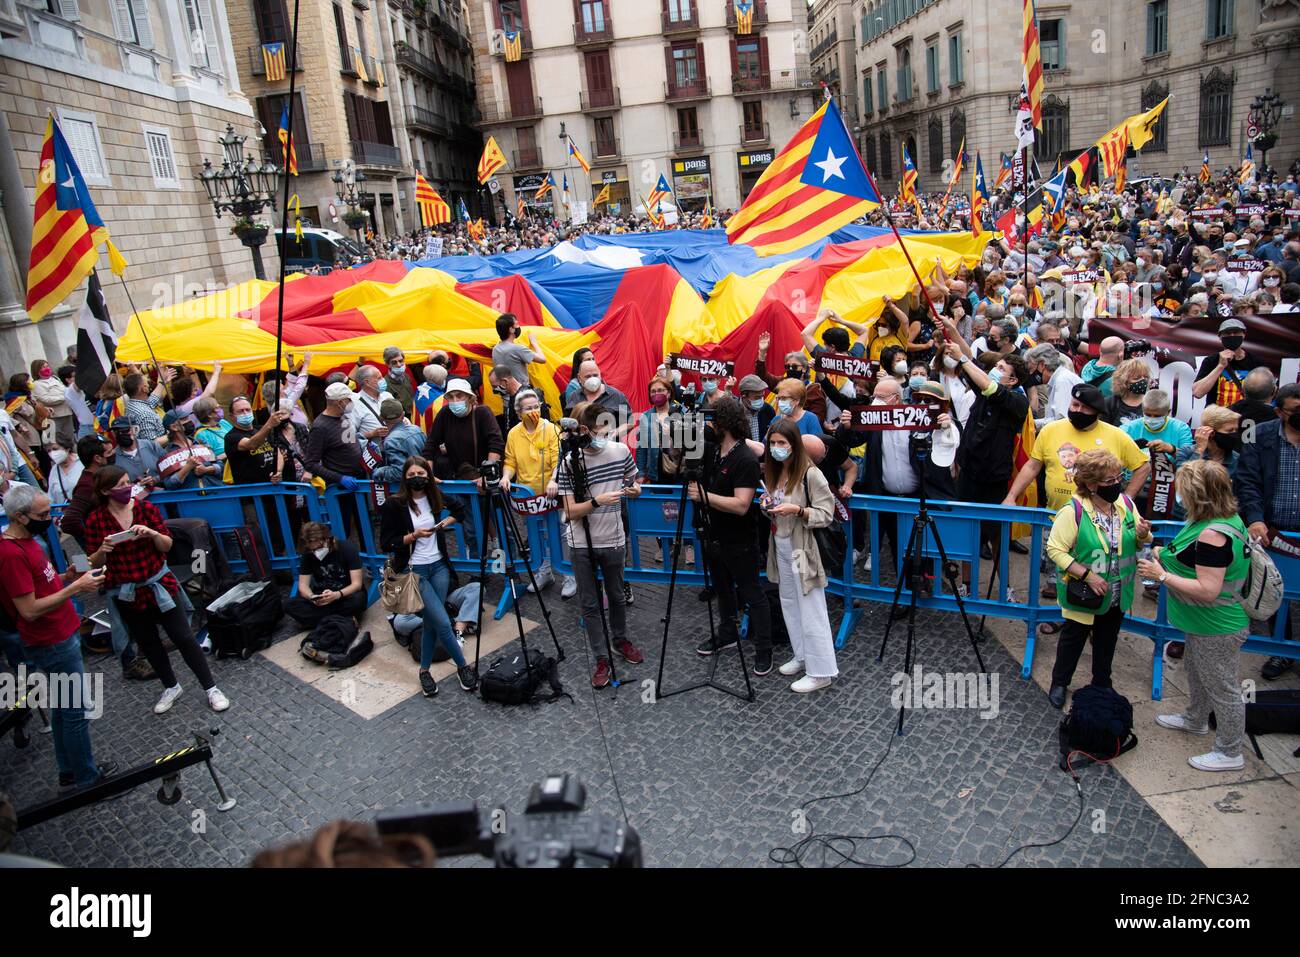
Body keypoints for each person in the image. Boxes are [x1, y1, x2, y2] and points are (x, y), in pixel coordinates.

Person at [83, 467, 229, 715]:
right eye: (121, 484)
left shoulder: (145, 509)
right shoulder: (96, 520)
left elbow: (167, 544)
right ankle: (171, 686)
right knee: (149, 643)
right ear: (106, 491)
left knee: (183, 637)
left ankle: (211, 688)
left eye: (129, 482)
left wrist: (151, 534)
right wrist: (102, 550)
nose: (127, 488)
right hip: (127, 592)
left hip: (158, 584)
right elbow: (91, 563)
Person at [1138, 460, 1252, 772]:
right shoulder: (1216, 518)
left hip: (1216, 624)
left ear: (1197, 494)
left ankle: (1230, 752)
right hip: (1201, 623)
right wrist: (1160, 551)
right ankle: (1195, 719)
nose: (1179, 494)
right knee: (1197, 671)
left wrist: (1160, 576)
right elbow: (1188, 557)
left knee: (1223, 688)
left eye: (1183, 489)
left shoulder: (1213, 534)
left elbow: (1208, 589)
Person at [0, 484, 117, 789]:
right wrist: (75, 589)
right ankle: (87, 779)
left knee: (65, 711)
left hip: (61, 634)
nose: (50, 519)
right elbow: (28, 610)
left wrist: (74, 574)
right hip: (50, 641)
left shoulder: (32, 541)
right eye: (42, 514)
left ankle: (70, 771)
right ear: (20, 516)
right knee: (76, 711)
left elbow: (50, 581)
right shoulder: (10, 554)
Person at [1043, 449, 1152, 710]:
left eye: (1118, 478)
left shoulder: (1125, 505)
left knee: (1107, 639)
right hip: (1083, 591)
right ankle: (1059, 682)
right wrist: (1088, 575)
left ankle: (1102, 681)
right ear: (1091, 485)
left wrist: (1144, 534)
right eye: (1110, 481)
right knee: (1073, 638)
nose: (1117, 484)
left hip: (1117, 591)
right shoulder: (1073, 512)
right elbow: (1055, 549)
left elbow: (1139, 542)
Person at [556, 402, 644, 688]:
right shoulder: (569, 462)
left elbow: (635, 482)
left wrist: (635, 490)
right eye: (596, 429)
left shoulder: (619, 452)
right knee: (590, 603)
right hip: (582, 543)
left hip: (614, 539)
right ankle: (601, 657)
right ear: (583, 430)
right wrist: (595, 502)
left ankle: (620, 639)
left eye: (604, 427)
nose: (602, 433)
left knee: (617, 597)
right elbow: (568, 512)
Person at [380, 457, 478, 697]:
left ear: (428, 476)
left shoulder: (435, 496)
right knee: (443, 622)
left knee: (433, 623)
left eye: (421, 474)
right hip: (415, 572)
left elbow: (460, 509)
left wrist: (443, 524)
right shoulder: (396, 505)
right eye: (412, 474)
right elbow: (386, 543)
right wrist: (413, 536)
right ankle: (463, 666)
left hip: (439, 567)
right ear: (405, 477)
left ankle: (424, 671)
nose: (417, 478)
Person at [689, 396, 773, 675]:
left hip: (740, 540)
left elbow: (741, 505)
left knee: (751, 593)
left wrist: (705, 496)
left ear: (724, 423)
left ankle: (764, 650)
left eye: (713, 420)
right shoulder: (714, 452)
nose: (709, 424)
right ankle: (727, 634)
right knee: (723, 590)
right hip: (714, 536)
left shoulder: (745, 459)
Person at [761, 418, 838, 692]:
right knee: (789, 602)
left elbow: (826, 514)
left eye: (782, 442)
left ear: (794, 443)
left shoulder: (810, 473)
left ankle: (821, 670)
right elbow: (776, 506)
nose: (777, 447)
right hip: (780, 544)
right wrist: (767, 505)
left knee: (811, 604)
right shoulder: (776, 471)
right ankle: (802, 655)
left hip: (802, 547)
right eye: (773, 443)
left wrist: (798, 511)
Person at [1235, 382, 1300, 679]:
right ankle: (1281, 651)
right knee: (1277, 589)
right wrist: (1255, 518)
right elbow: (1247, 480)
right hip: (1273, 530)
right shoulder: (1259, 436)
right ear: (1279, 411)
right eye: (1296, 410)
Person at [501, 387, 561, 591]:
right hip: (528, 497)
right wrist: (506, 477)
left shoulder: (551, 429)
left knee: (559, 533)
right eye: (528, 408)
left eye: (536, 407)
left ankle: (570, 575)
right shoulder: (513, 434)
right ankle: (544, 571)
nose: (533, 411)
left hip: (551, 494)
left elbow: (557, 459)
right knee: (536, 535)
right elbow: (510, 461)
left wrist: (555, 480)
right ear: (519, 412)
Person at [284, 522, 368, 630]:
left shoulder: (346, 548)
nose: (315, 553)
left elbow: (357, 584)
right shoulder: (307, 555)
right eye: (312, 550)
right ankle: (341, 619)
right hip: (322, 597)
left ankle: (323, 620)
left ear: (327, 539)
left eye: (318, 548)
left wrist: (337, 595)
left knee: (358, 600)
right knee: (289, 604)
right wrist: (312, 597)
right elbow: (303, 586)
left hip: (345, 595)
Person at [1193, 318, 1260, 407]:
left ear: (1243, 335)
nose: (1232, 335)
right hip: (1217, 417)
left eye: (1236, 332)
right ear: (1220, 337)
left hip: (1246, 417)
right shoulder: (1210, 361)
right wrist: (1220, 366)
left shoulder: (1255, 361)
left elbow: (1266, 393)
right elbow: (1197, 393)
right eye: (1227, 333)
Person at [1024, 342, 1082, 430]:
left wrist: (1032, 424)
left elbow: (1061, 420)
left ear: (1042, 364)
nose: (1031, 374)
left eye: (1031, 369)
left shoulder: (1062, 381)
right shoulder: (1059, 379)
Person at [158, 410, 221, 491]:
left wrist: (206, 469)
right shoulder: (166, 453)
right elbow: (169, 484)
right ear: (174, 427)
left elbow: (220, 466)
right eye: (184, 419)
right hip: (189, 498)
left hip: (216, 491)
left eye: (188, 418)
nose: (189, 421)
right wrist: (187, 467)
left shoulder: (200, 443)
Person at [371, 399, 426, 486]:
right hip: (425, 483)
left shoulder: (390, 441)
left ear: (381, 418)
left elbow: (400, 473)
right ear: (403, 415)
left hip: (411, 488)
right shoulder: (417, 429)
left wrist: (379, 472)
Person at [1177, 405, 1242, 478]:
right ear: (1211, 433)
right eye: (1230, 431)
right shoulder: (1186, 452)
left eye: (1236, 430)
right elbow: (1185, 481)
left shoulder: (1238, 460)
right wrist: (1199, 450)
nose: (1234, 434)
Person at [492, 312, 545, 389]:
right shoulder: (518, 349)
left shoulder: (495, 349)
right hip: (521, 394)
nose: (519, 327)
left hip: (506, 395)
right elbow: (542, 359)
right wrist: (534, 343)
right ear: (511, 330)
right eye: (516, 324)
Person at [121, 368, 172, 443]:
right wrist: (174, 434)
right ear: (144, 389)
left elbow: (152, 400)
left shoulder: (133, 404)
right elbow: (152, 443)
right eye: (147, 383)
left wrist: (162, 382)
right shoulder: (144, 414)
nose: (149, 385)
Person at [109, 416, 163, 486]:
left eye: (125, 431)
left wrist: (156, 479)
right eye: (116, 432)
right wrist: (137, 486)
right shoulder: (113, 457)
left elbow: (169, 469)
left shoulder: (151, 445)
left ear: (135, 430)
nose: (121, 434)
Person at [349, 365, 391, 446]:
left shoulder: (387, 396)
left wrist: (404, 419)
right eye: (379, 378)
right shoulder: (355, 404)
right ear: (367, 382)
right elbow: (349, 437)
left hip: (394, 448)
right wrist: (371, 434)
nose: (383, 380)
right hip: (374, 454)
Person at [45, 433, 83, 508]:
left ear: (67, 448)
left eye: (55, 449)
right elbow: (51, 497)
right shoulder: (54, 470)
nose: (52, 453)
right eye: (49, 451)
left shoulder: (82, 463)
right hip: (62, 515)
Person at [193, 397, 232, 469]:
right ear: (209, 414)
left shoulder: (223, 422)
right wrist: (233, 451)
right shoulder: (201, 434)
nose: (221, 408)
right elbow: (210, 460)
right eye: (218, 408)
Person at [382, 346, 416, 416]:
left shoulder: (406, 376)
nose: (399, 365)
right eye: (394, 362)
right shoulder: (384, 384)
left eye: (401, 361)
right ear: (388, 364)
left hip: (413, 414)